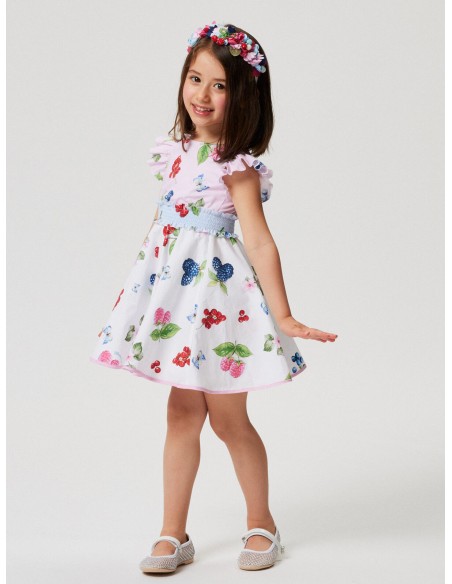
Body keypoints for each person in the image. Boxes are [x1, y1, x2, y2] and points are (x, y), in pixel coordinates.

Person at [90, 21, 338, 573]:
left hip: (220, 305)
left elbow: (259, 240)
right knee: (180, 413)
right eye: (195, 78)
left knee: (228, 421)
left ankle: (262, 522)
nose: (202, 94)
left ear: (242, 96)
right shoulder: (174, 153)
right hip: (177, 304)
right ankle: (172, 532)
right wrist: (138, 294)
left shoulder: (236, 165)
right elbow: (162, 228)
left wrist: (284, 314)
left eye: (219, 85)